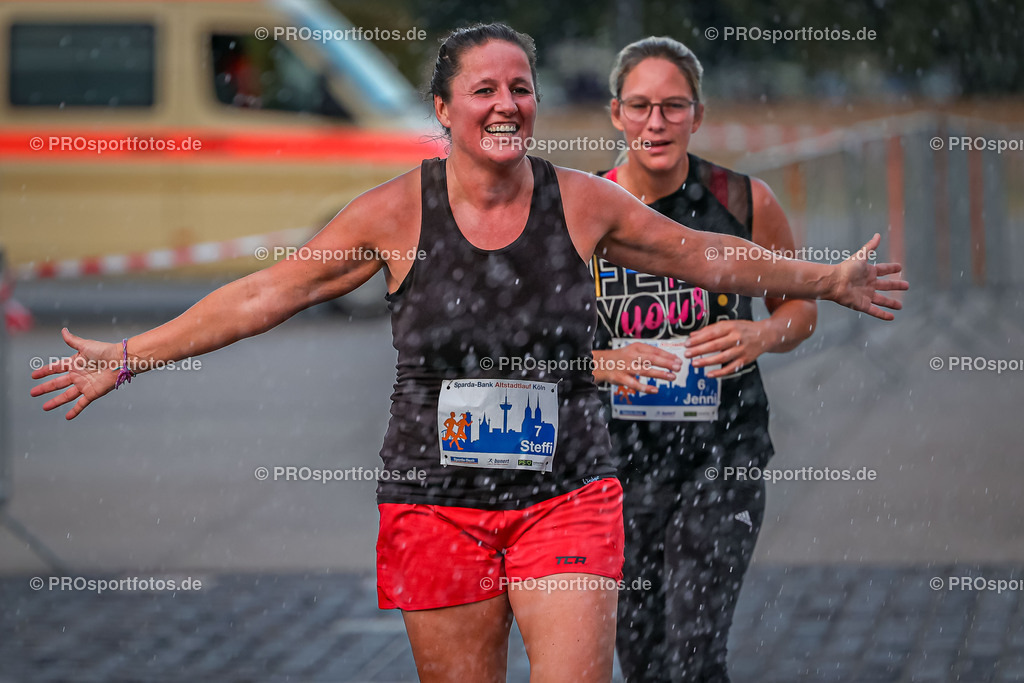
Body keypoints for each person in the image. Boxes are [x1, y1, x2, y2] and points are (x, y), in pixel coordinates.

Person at [30, 24, 907, 683]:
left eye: (520, 87)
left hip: (569, 490)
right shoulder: (394, 213)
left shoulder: (583, 203)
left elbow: (706, 254)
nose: (506, 105)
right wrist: (131, 355)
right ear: (444, 110)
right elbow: (268, 293)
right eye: (483, 90)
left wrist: (823, 279)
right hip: (434, 501)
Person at [589, 36, 819, 682]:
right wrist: (602, 361)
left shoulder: (743, 201)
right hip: (618, 460)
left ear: (698, 115)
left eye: (672, 106)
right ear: (615, 113)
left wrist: (760, 336)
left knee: (693, 653)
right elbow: (551, 343)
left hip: (724, 451)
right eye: (639, 106)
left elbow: (800, 309)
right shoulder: (586, 211)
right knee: (642, 656)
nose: (655, 123)